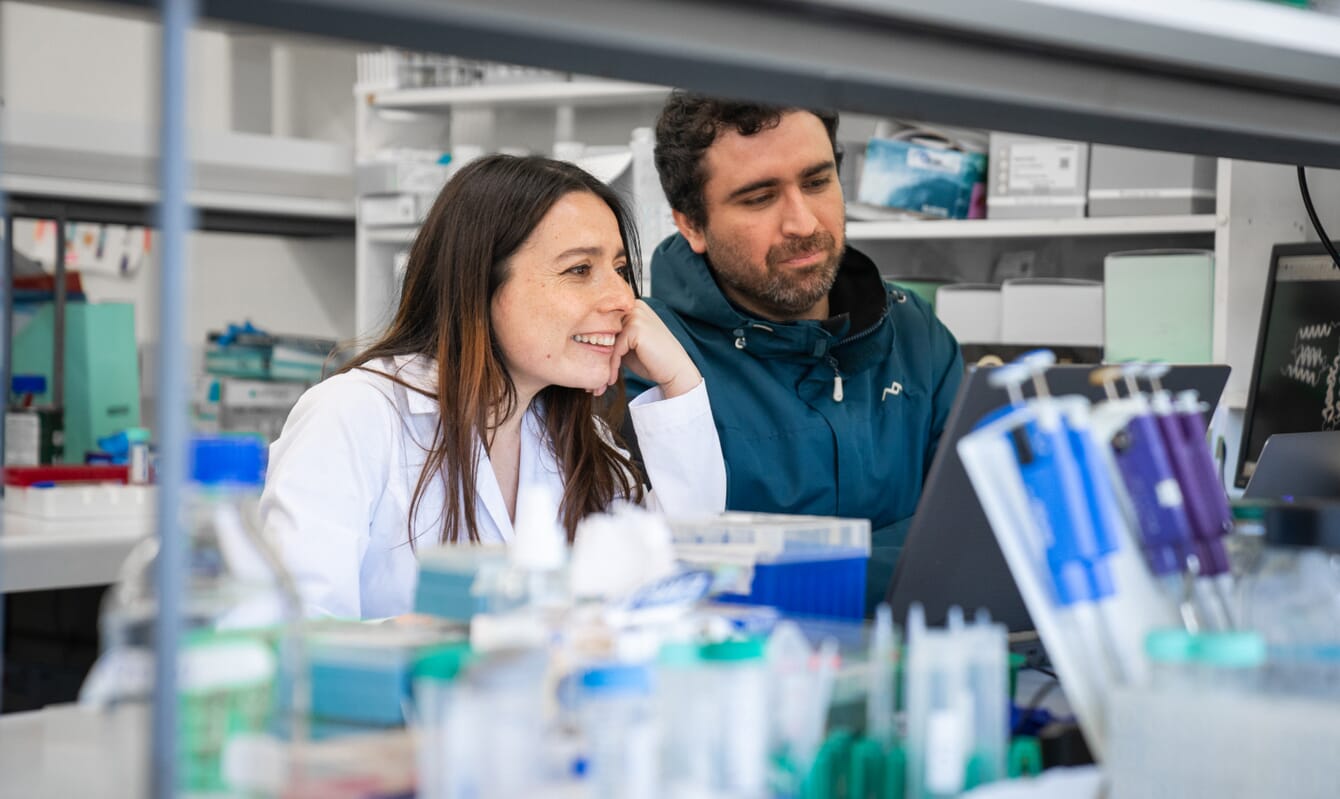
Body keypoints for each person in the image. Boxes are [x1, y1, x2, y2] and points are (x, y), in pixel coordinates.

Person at [261, 154, 726, 619]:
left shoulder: (582, 441)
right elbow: (290, 636)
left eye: (621, 270)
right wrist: (448, 643)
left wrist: (680, 384)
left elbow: (668, 595)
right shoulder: (354, 415)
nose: (625, 299)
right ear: (480, 281)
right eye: (580, 270)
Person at [629, 92, 963, 614]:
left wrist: (781, 571)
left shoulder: (914, 331)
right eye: (759, 197)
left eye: (816, 181)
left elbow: (972, 526)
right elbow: (663, 575)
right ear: (691, 225)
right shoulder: (646, 359)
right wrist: (901, 560)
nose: (803, 223)